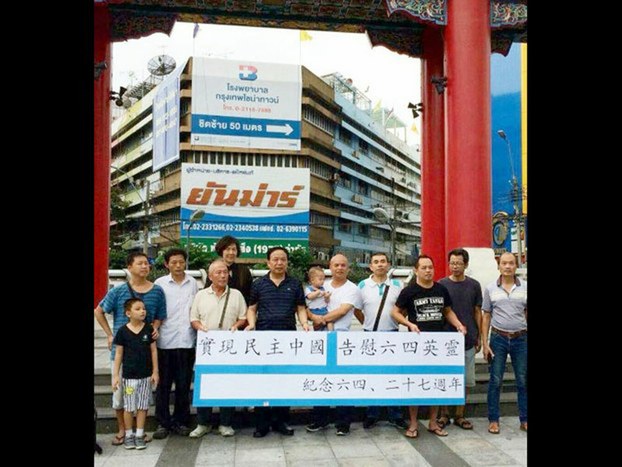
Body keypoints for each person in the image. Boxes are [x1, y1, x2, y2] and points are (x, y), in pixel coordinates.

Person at [94, 251, 167, 446]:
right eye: (140, 263)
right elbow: (99, 311)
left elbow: (160, 315)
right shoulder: (118, 291)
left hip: (144, 352)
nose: (145, 267)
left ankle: (139, 432)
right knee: (119, 396)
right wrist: (110, 334)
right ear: (129, 267)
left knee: (142, 397)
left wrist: (155, 329)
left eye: (147, 263)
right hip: (121, 352)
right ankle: (123, 430)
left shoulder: (157, 291)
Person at [390, 255, 467, 439]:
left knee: (435, 383)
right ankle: (414, 423)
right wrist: (409, 324)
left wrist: (458, 325)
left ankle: (433, 422)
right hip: (416, 344)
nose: (428, 270)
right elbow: (395, 312)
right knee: (414, 384)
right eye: (424, 267)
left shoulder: (441, 289)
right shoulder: (409, 291)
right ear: (416, 270)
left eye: (430, 267)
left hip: (437, 344)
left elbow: (447, 311)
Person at [245, 246, 310, 438]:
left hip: (287, 339)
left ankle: (281, 421)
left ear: (287, 262)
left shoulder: (295, 283)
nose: (279, 263)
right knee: (263, 380)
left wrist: (305, 323)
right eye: (275, 259)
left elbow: (300, 308)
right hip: (264, 339)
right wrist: (251, 324)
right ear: (268, 262)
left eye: (283, 259)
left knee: (284, 380)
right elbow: (252, 308)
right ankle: (262, 423)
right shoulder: (259, 284)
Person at [188, 259, 248, 438]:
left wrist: (236, 326)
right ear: (210, 275)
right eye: (218, 272)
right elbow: (193, 319)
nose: (223, 275)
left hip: (228, 348)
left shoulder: (236, 294)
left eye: (225, 272)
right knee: (204, 384)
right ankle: (203, 423)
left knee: (227, 384)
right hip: (206, 348)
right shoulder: (201, 295)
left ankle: (225, 423)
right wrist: (200, 327)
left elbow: (243, 317)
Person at [305, 253, 362, 436]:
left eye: (343, 265)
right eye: (336, 265)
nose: (339, 268)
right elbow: (306, 304)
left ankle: (343, 422)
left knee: (344, 380)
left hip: (342, 338)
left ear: (348, 268)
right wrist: (314, 318)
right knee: (321, 379)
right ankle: (320, 419)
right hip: (320, 337)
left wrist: (320, 319)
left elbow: (343, 310)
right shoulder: (322, 285)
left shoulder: (352, 288)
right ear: (330, 266)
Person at [353, 252, 408, 430]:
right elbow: (357, 310)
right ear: (370, 266)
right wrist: (368, 325)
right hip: (370, 335)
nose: (380, 265)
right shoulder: (362, 285)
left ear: (389, 264)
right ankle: (372, 413)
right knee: (372, 376)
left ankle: (396, 414)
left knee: (393, 376)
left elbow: (403, 310)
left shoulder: (398, 285)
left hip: (392, 334)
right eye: (376, 262)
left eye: (383, 262)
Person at [152, 248, 199, 439]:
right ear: (166, 264)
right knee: (163, 385)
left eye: (181, 262)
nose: (178, 266)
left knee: (183, 384)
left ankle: (181, 421)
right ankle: (163, 423)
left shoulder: (193, 283)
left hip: (186, 342)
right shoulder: (159, 284)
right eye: (174, 262)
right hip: (164, 341)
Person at [437, 248, 483, 430]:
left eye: (458, 263)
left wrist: (478, 335)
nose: (455, 266)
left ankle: (460, 415)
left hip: (468, 339)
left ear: (466, 264)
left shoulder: (474, 285)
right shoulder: (441, 284)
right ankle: (443, 414)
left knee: (465, 380)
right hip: (445, 339)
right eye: (452, 263)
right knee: (445, 377)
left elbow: (477, 311)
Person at [482, 252, 527, 435]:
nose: (507, 266)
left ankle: (524, 419)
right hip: (498, 338)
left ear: (516, 266)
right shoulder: (490, 288)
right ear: (498, 265)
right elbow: (486, 315)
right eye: (504, 263)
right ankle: (493, 419)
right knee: (495, 380)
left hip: (521, 338)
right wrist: (485, 343)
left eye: (511, 263)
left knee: (523, 380)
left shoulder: (525, 287)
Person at [112, 298, 159, 450]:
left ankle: (139, 434)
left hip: (145, 376)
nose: (142, 311)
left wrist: (155, 371)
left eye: (143, 308)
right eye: (138, 309)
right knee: (128, 406)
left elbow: (153, 350)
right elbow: (118, 354)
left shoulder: (148, 329)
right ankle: (128, 434)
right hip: (128, 377)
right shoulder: (122, 331)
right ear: (128, 313)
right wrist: (115, 375)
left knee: (143, 406)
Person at [205, 235, 253, 304]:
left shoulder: (244, 271)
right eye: (228, 249)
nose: (231, 252)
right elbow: (207, 293)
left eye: (234, 249)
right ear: (221, 251)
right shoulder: (214, 269)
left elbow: (250, 295)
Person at [305, 266, 333, 331]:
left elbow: (326, 301)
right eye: (320, 279)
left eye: (323, 279)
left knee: (330, 321)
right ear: (312, 280)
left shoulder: (322, 289)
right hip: (314, 311)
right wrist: (317, 292)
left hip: (323, 309)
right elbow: (310, 297)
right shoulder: (309, 288)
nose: (322, 281)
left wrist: (327, 297)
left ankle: (331, 332)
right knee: (318, 323)